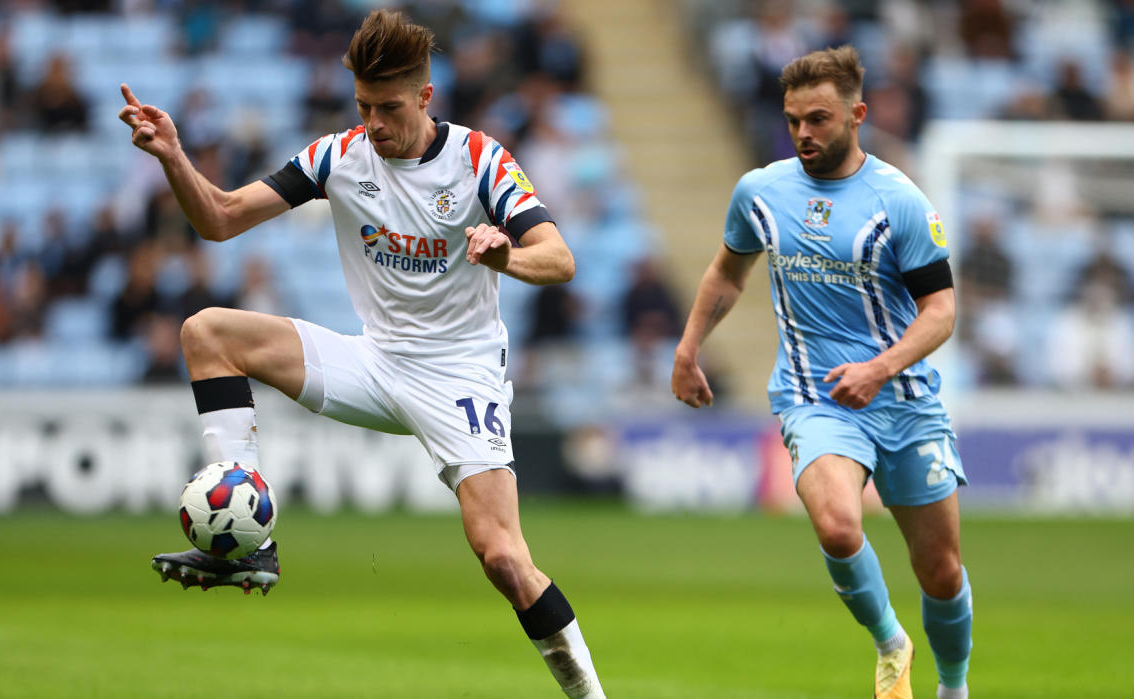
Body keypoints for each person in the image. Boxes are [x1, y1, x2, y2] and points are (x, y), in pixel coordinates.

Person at [117, 10, 604, 698]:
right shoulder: (338, 156)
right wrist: (173, 156)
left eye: (389, 108)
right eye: (363, 106)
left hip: (461, 374)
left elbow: (559, 258)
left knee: (502, 557)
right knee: (206, 332)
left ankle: (591, 694)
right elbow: (220, 218)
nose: (374, 123)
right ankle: (246, 537)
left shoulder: (478, 159)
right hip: (374, 362)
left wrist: (508, 252)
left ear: (426, 98)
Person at [671, 47, 972, 699]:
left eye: (819, 119)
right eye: (793, 120)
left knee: (942, 571)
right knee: (838, 524)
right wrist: (689, 347)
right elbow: (729, 270)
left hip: (905, 399)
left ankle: (953, 686)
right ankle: (892, 642)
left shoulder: (901, 202)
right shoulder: (761, 192)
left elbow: (942, 311)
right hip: (817, 397)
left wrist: (880, 367)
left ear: (857, 115)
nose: (804, 133)